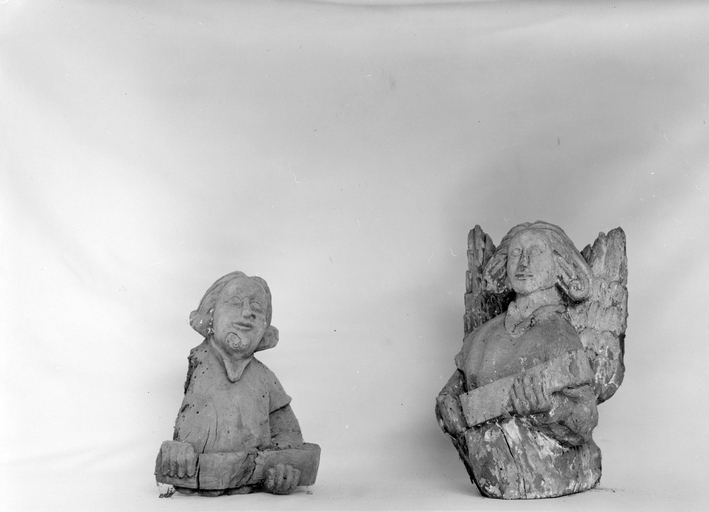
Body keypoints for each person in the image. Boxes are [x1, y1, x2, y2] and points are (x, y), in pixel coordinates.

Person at [436, 222, 601, 499]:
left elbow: (585, 420)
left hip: (543, 469)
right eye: (516, 253)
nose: (524, 263)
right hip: (493, 463)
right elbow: (453, 391)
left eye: (536, 252)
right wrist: (447, 405)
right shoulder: (483, 335)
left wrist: (550, 409)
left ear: (558, 265)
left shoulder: (560, 335)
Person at [157, 271, 305, 496]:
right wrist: (175, 451)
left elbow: (289, 436)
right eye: (235, 303)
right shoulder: (199, 363)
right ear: (211, 314)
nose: (247, 313)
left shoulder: (265, 378)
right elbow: (181, 437)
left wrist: (284, 468)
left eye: (257, 307)